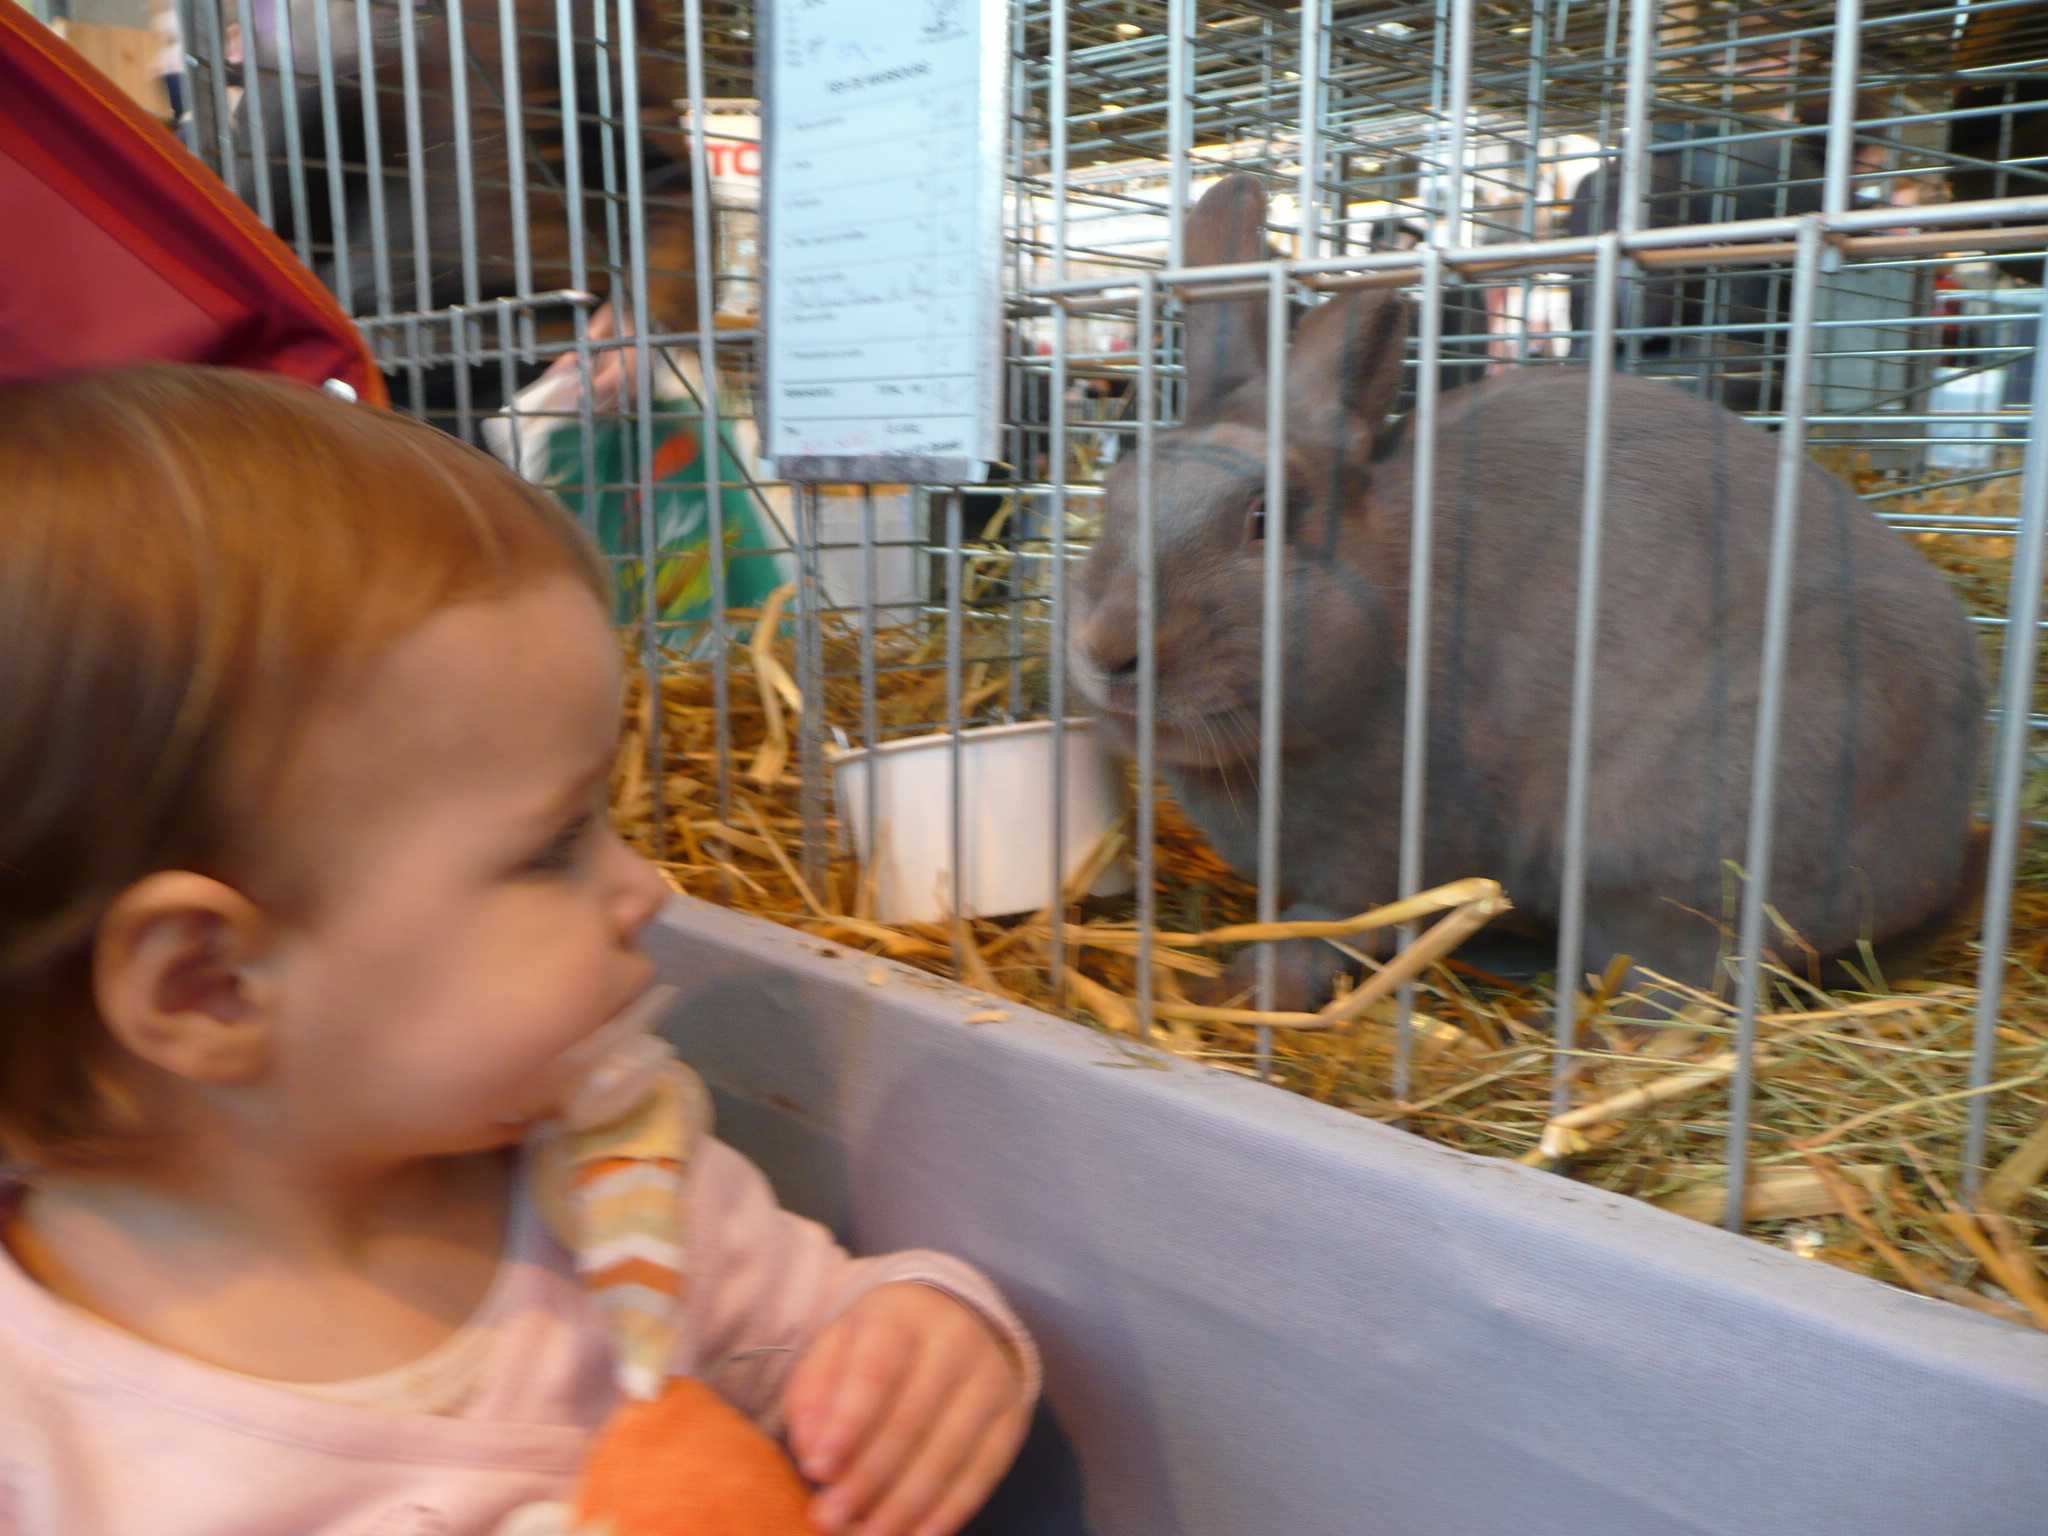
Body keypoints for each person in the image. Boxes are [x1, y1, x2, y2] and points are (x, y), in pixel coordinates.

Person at [0, 364, 1039, 1536]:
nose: (644, 888)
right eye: (552, 849)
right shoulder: (37, 1434)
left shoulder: (623, 1200)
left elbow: (841, 1321)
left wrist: (923, 1340)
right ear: (209, 986)